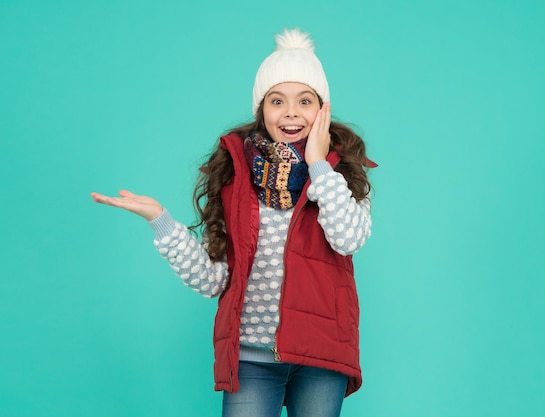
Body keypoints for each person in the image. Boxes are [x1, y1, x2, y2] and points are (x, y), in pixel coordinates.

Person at [91, 28, 376, 417]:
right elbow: (213, 280)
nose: (291, 111)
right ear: (262, 110)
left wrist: (318, 166)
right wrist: (160, 221)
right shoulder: (234, 176)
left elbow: (348, 239)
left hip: (321, 353)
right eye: (278, 101)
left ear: (322, 111)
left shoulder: (341, 177)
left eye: (305, 101)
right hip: (251, 357)